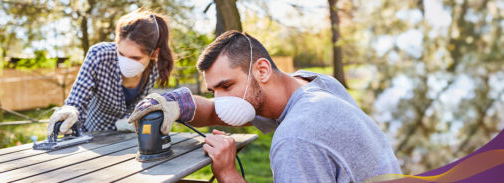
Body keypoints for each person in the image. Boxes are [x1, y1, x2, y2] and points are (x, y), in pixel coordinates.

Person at [128, 31, 401, 182]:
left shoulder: (296, 137)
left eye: (227, 86)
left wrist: (228, 173)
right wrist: (179, 104)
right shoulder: (315, 84)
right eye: (215, 91)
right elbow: (214, 111)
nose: (221, 100)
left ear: (262, 70)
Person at [46, 9, 175, 136]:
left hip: (128, 138)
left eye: (136, 58)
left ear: (154, 54)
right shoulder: (99, 55)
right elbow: (77, 99)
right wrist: (70, 111)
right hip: (92, 136)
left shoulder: (155, 68)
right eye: (121, 54)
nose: (127, 62)